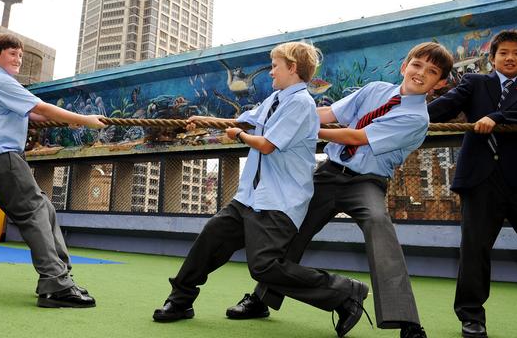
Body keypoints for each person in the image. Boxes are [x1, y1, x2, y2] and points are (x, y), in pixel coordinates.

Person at [229, 42, 453, 338]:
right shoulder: (374, 89)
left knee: (378, 223)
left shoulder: (417, 119)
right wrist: (263, 117)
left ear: (440, 83)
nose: (421, 73)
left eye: (432, 71)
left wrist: (297, 126)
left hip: (366, 182)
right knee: (292, 228)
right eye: (417, 65)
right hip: (330, 173)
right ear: (404, 66)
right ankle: (262, 299)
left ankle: (407, 321)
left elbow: (357, 136)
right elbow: (328, 112)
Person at [152, 42, 371, 331]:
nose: (270, 72)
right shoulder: (275, 99)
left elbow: (266, 144)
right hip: (250, 198)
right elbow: (244, 121)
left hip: (278, 202)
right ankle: (180, 300)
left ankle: (344, 292)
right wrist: (208, 121)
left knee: (264, 266)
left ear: (292, 68)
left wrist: (240, 134)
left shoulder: (301, 103)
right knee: (211, 238)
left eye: (275, 66)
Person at [0, 33, 106, 308]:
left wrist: (67, 122)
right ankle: (55, 284)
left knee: (44, 208)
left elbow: (34, 114)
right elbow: (40, 106)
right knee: (34, 211)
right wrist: (84, 120)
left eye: (20, 54)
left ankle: (60, 274)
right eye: (12, 53)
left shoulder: (0, 84)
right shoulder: (1, 81)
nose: (18, 58)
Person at [428, 30, 517, 338]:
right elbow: (445, 108)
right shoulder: (474, 83)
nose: (510, 57)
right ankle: (471, 316)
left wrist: (497, 116)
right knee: (474, 250)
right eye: (503, 52)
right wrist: (407, 112)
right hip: (480, 181)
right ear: (491, 58)